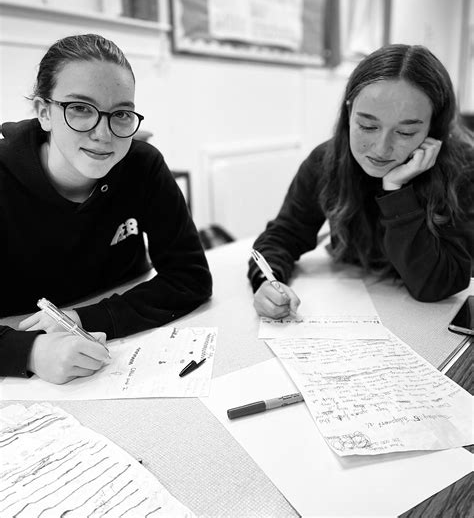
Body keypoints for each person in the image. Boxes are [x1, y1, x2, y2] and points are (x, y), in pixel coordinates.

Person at [0, 34, 212, 383]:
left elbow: (190, 278)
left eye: (121, 114)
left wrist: (84, 319)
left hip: (125, 345)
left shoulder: (143, 166)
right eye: (81, 109)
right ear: (44, 113)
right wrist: (30, 352)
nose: (103, 133)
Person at [248, 44, 474, 318]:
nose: (381, 149)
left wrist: (395, 192)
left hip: (427, 320)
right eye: (367, 126)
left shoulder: (463, 169)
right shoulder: (325, 161)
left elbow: (438, 284)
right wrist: (268, 283)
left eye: (405, 132)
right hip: (351, 303)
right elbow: (283, 235)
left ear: (432, 129)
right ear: (349, 113)